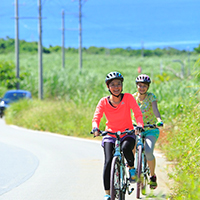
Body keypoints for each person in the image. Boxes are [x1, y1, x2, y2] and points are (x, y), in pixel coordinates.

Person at [91, 71, 144, 200]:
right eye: (113, 85)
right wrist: (95, 128)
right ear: (108, 87)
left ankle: (131, 168)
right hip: (110, 134)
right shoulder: (103, 102)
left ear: (122, 85)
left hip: (127, 133)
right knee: (108, 162)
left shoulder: (128, 98)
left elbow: (137, 113)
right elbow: (96, 117)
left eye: (118, 84)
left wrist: (139, 125)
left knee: (126, 148)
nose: (116, 87)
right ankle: (107, 193)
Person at [132, 74, 163, 190]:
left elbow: (155, 109)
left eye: (144, 86)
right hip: (136, 127)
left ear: (148, 87)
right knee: (130, 145)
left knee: (149, 151)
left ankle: (152, 176)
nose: (142, 88)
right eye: (140, 85)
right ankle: (132, 169)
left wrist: (159, 119)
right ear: (136, 86)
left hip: (150, 128)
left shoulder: (151, 97)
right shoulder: (132, 97)